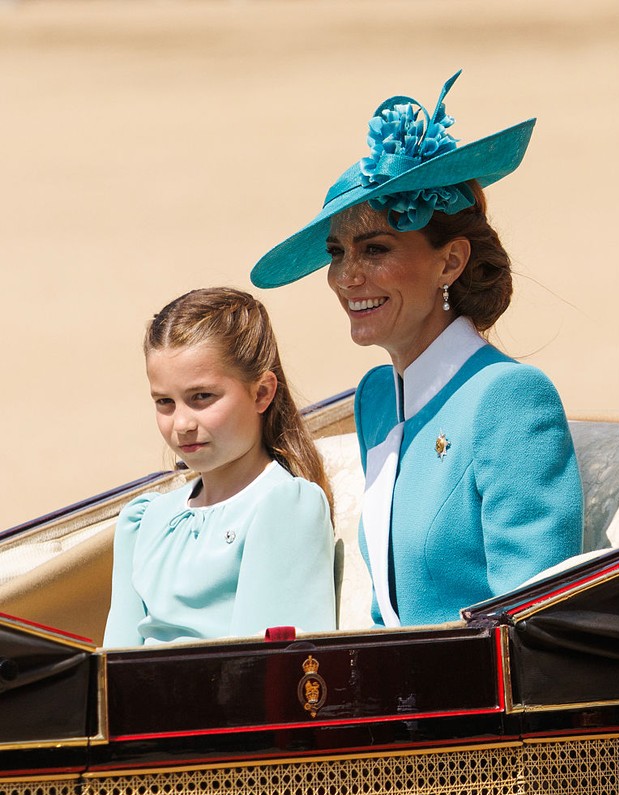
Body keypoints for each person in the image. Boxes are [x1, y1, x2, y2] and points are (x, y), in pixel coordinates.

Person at [251, 71, 584, 628]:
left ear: (449, 263)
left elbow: (534, 627)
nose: (347, 277)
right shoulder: (378, 396)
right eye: (337, 253)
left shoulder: (509, 399)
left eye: (375, 249)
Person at [103, 287, 336, 647]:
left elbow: (264, 671)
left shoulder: (284, 507)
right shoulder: (143, 521)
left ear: (262, 393)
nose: (181, 423)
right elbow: (110, 668)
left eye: (202, 397)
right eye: (164, 402)